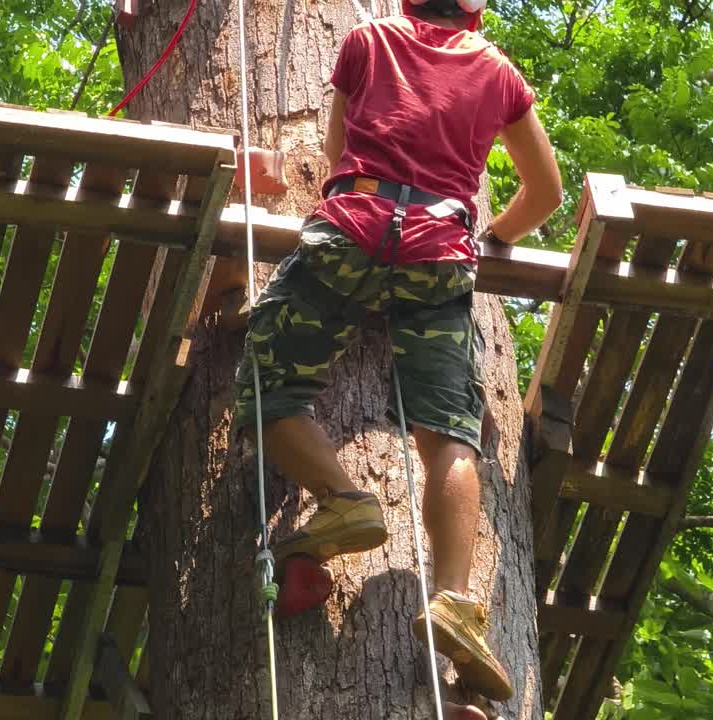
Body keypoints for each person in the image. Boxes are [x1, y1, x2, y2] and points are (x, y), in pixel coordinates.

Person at [234, 0, 561, 702]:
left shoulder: (368, 41)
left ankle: (346, 501)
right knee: (449, 431)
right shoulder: (498, 72)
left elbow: (333, 149)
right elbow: (546, 192)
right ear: (473, 13)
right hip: (441, 252)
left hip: (355, 223)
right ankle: (453, 597)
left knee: (268, 386)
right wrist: (493, 231)